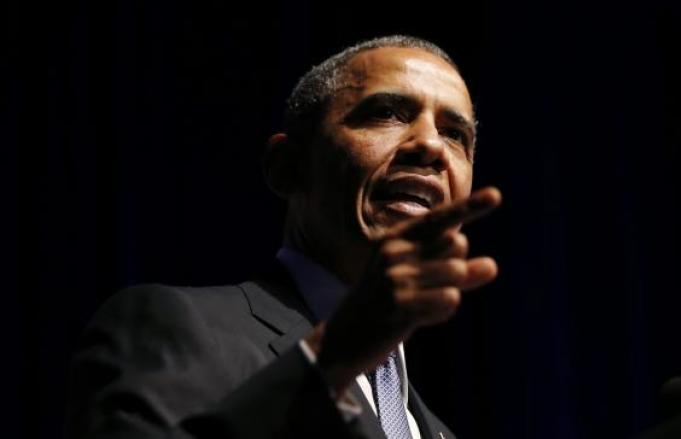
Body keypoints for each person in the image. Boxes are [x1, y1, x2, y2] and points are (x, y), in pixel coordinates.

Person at [66, 35, 502, 439]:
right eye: (385, 112)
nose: (430, 145)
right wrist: (333, 356)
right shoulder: (172, 326)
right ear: (286, 166)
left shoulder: (436, 431)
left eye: (454, 134)